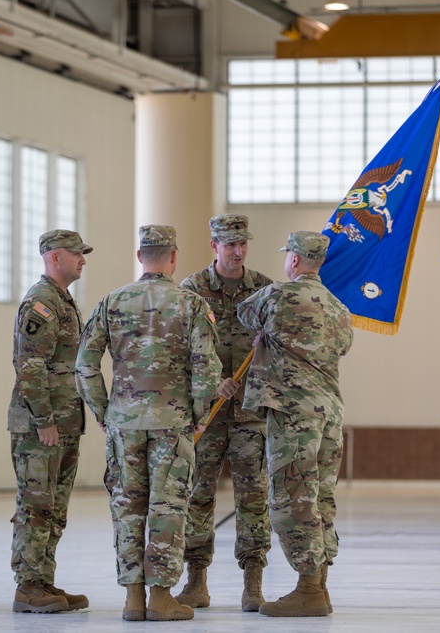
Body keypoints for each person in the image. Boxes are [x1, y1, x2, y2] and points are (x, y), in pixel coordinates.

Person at [76, 225, 222, 622]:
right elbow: (207, 369)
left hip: (124, 423)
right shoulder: (191, 304)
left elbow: (85, 364)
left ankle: (133, 599)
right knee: (167, 507)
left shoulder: (112, 302)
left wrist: (104, 411)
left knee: (128, 508)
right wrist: (198, 417)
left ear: (140, 256)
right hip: (173, 424)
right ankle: (161, 597)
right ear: (173, 257)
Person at [236, 231, 353, 618]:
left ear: (295, 260)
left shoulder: (278, 296)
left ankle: (307, 588)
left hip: (293, 414)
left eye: (288, 255)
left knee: (291, 499)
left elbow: (242, 313)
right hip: (330, 415)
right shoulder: (339, 308)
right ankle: (319, 585)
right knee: (320, 498)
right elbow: (343, 346)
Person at [177, 214, 273, 612]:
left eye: (243, 243)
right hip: (208, 414)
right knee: (198, 494)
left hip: (250, 413)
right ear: (214, 245)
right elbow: (181, 350)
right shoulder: (193, 290)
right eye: (230, 244)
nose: (237, 251)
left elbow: (281, 351)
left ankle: (253, 583)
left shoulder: (265, 289)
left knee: (253, 496)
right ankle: (196, 580)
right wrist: (211, 383)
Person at [8, 230, 92, 614]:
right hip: (41, 425)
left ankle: (43, 580)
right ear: (55, 257)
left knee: (54, 508)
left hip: (64, 422)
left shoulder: (63, 300)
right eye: (77, 254)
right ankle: (27, 586)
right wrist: (43, 418)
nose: (83, 261)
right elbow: (30, 364)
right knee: (36, 505)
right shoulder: (41, 302)